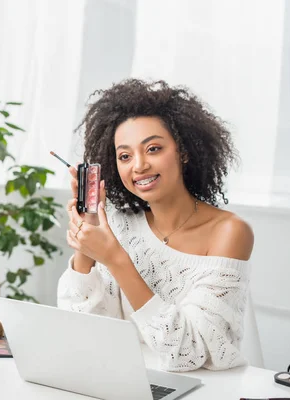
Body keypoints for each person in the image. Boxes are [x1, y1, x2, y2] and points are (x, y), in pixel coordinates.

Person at [57, 78, 254, 373]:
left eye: (153, 149)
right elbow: (78, 325)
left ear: (183, 152)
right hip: (122, 381)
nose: (138, 166)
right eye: (125, 156)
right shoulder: (116, 225)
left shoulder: (229, 232)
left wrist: (115, 259)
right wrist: (87, 236)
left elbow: (189, 352)